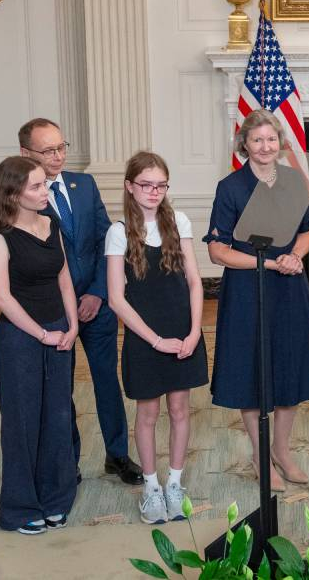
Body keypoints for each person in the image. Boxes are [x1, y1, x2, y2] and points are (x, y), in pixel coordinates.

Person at [205, 109, 309, 490]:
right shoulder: (230, 188)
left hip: (289, 288)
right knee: (252, 373)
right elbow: (217, 251)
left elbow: (307, 232)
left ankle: (282, 450)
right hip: (247, 291)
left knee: (290, 368)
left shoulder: (293, 182)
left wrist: (295, 256)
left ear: (280, 143)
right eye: (257, 140)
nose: (264, 146)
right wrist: (270, 262)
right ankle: (260, 457)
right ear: (244, 144)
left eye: (271, 139)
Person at [18, 118, 143, 485]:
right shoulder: (23, 196)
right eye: (48, 150)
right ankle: (67, 461)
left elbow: (108, 240)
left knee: (108, 381)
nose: (58, 156)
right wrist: (71, 303)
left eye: (61, 147)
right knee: (61, 389)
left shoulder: (84, 184)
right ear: (26, 154)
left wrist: (98, 293)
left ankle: (117, 455)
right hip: (55, 311)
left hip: (97, 304)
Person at [0, 156, 79, 534]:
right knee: (22, 424)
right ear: (13, 194)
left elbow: (64, 279)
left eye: (44, 184)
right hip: (20, 341)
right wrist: (42, 334)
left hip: (59, 334)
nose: (44, 190)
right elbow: (2, 298)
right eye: (35, 186)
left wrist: (72, 325)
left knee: (58, 419)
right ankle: (20, 508)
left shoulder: (52, 224)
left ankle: (55, 499)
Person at [106, 152, 209, 523]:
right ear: (129, 187)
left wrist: (195, 330)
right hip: (144, 337)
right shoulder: (118, 232)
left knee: (180, 409)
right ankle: (150, 487)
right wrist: (155, 341)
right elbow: (117, 298)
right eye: (146, 185)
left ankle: (174, 483)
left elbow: (195, 281)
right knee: (147, 413)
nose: (154, 192)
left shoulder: (178, 221)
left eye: (161, 185)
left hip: (183, 332)